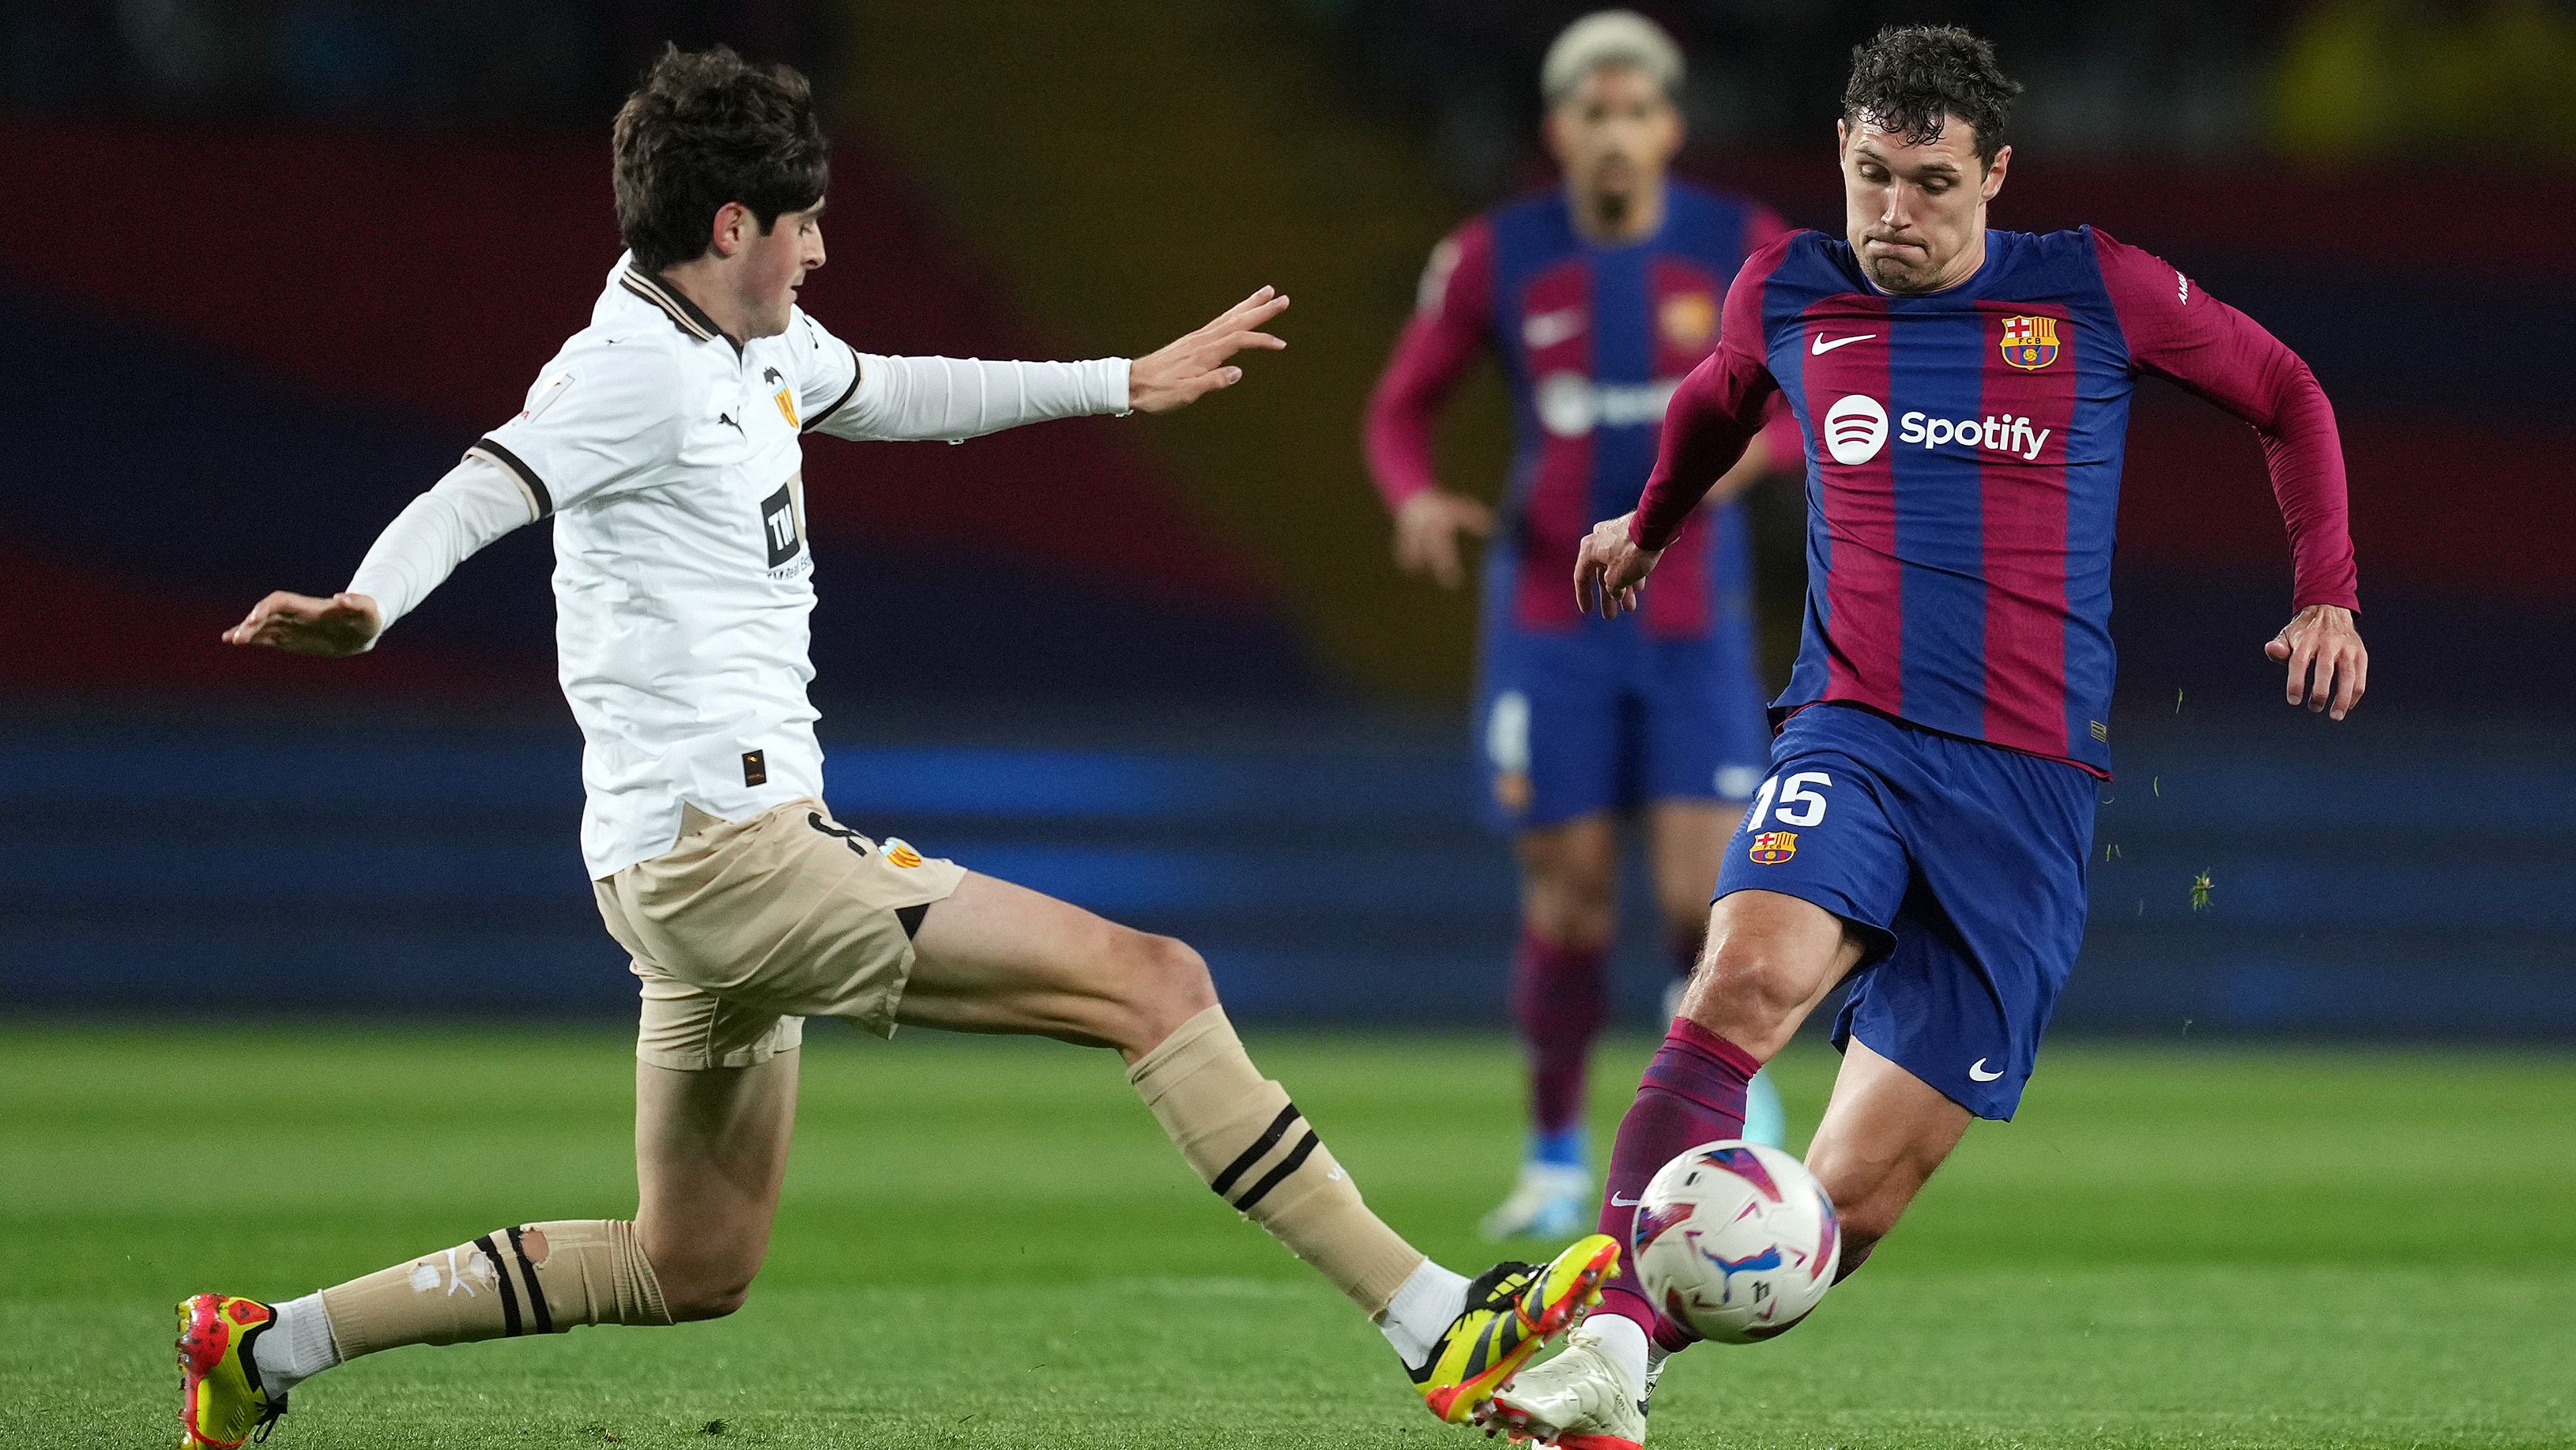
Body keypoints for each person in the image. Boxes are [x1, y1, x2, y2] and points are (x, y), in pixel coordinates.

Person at [176, 45, 1618, 1450]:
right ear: (731, 224)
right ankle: (1434, 1319)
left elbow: (897, 388)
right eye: (803, 222)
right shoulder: (627, 373)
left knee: (690, 1265)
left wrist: (1122, 380)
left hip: (687, 864)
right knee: (1153, 982)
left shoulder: (748, 340)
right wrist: (372, 601)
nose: (821, 250)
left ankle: (265, 1346)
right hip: (727, 858)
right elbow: (482, 485)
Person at [1485, 24, 2369, 1448]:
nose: (1895, 214)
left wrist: (2326, 594)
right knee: (1740, 985)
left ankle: (1630, 1354)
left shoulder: (2096, 287)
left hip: (2027, 791)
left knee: (1838, 1217)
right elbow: (1716, 401)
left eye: (1932, 184)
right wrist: (1647, 523)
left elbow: (2289, 394)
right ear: (1841, 152)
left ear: (1994, 174)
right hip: (1855, 734)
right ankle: (1602, 1344)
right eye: (1874, 176)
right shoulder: (1791, 288)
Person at [1363, 9, 1790, 1245]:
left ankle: (1732, 1121)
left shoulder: (1740, 247)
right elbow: (1401, 410)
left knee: (1701, 896)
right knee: (1570, 903)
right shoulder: (1498, 255)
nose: (1614, 135)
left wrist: (1747, 464)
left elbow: (1813, 405)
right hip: (1550, 614)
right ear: (1560, 132)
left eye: (1636, 112)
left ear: (1669, 127)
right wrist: (1414, 498)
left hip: (1690, 609)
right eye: (1591, 114)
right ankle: (1554, 1156)